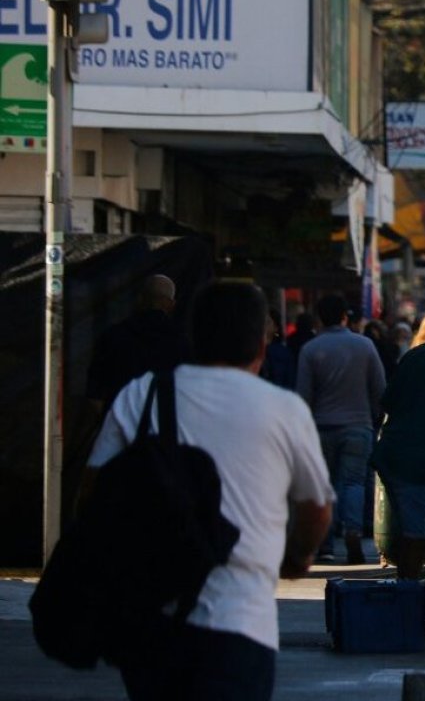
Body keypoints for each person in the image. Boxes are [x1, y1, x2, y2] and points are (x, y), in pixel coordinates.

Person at [83, 281, 334, 700]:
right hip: (240, 626)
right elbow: (317, 509)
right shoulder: (283, 409)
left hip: (151, 623)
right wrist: (297, 558)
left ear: (193, 336)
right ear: (261, 343)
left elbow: (91, 497)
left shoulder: (142, 395)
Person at [295, 295, 386, 565]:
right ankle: (353, 530)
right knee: (354, 482)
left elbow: (303, 395)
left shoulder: (310, 350)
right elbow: (380, 389)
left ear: (319, 318)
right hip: (358, 426)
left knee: (324, 484)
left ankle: (324, 542)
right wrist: (375, 417)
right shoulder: (365, 346)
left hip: (321, 428)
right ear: (345, 317)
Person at [371, 302, 425, 579]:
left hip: (393, 452)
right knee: (419, 537)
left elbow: (388, 401)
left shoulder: (415, 355)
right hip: (416, 459)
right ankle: (407, 595)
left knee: (414, 533)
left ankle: (407, 589)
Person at [86, 274, 189, 411]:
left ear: (140, 299)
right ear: (171, 304)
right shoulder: (183, 342)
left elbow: (94, 395)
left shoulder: (112, 336)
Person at [259, 308, 294, 389]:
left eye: (268, 322)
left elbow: (290, 380)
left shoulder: (284, 352)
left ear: (276, 328)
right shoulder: (253, 351)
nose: (264, 326)